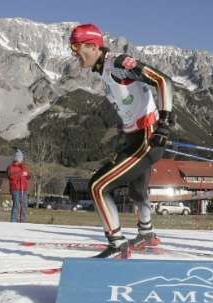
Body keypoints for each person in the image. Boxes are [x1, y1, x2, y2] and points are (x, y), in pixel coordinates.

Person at [69, 24, 174, 258]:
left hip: (148, 136)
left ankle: (117, 243)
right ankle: (147, 234)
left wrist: (165, 123)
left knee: (98, 186)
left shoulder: (117, 63)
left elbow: (163, 80)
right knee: (137, 190)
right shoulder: (103, 69)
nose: (74, 52)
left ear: (92, 45)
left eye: (76, 46)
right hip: (135, 136)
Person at [7, 149, 31, 223]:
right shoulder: (11, 167)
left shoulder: (24, 167)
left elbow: (28, 176)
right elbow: (11, 176)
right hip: (15, 188)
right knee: (16, 205)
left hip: (24, 189)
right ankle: (14, 221)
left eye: (21, 158)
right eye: (18, 157)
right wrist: (20, 174)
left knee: (24, 205)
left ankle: (23, 221)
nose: (20, 159)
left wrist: (27, 175)